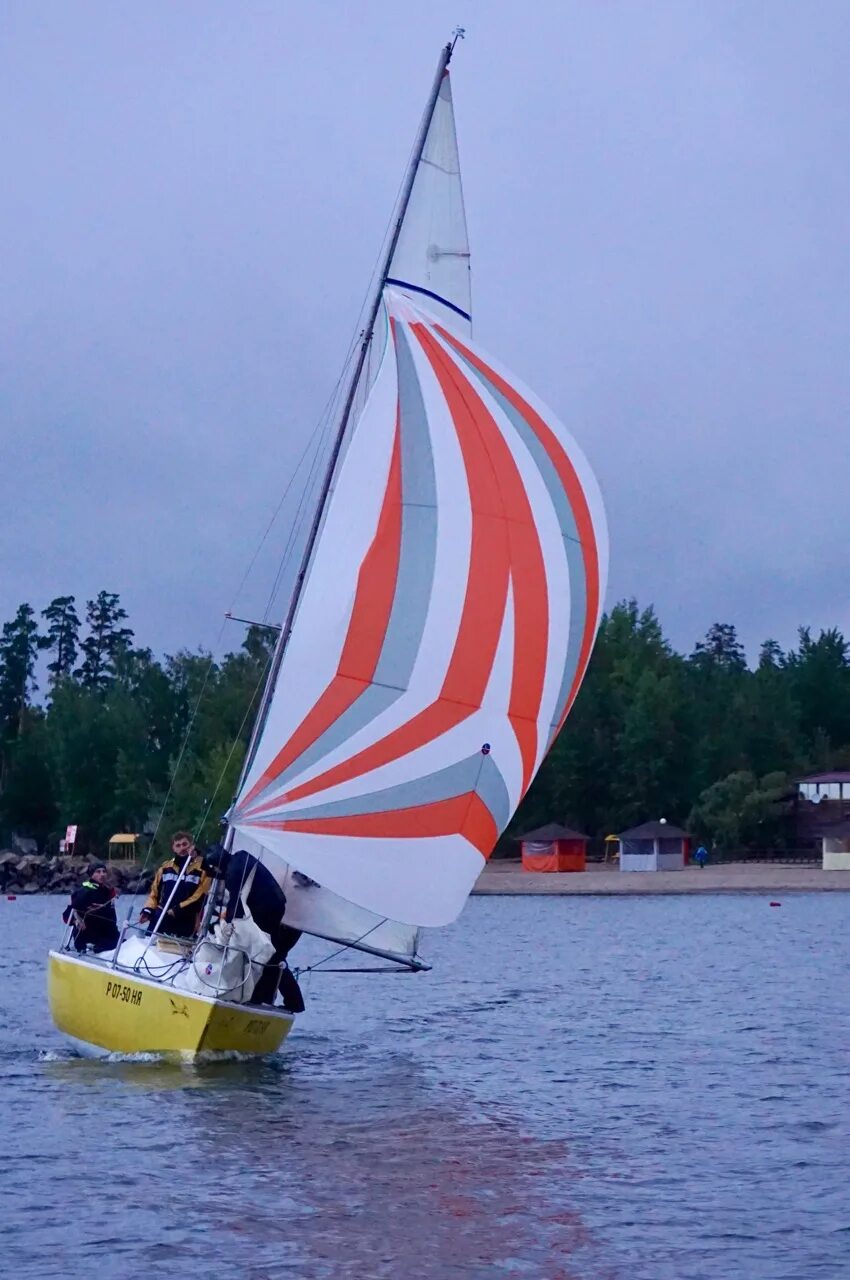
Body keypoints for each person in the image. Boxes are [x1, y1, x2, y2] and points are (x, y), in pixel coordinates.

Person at [203, 845, 303, 1010]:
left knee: (268, 955)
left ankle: (287, 1001)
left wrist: (224, 925)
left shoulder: (233, 872)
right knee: (269, 955)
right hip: (276, 910)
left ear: (217, 865)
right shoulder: (241, 857)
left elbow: (237, 902)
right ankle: (263, 997)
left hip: (269, 913)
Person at [140, 831, 211, 938]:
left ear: (191, 846)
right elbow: (154, 893)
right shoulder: (165, 868)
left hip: (187, 919)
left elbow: (200, 896)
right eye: (178, 845)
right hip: (163, 916)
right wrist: (148, 910)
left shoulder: (203, 869)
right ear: (173, 848)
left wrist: (177, 909)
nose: (182, 848)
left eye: (185, 844)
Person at [64, 862, 119, 953]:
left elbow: (112, 918)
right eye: (98, 872)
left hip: (106, 933)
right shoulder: (84, 892)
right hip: (87, 936)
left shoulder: (107, 891)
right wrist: (76, 921)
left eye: (104, 871)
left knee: (124, 942)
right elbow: (67, 914)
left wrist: (104, 908)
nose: (102, 874)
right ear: (91, 874)